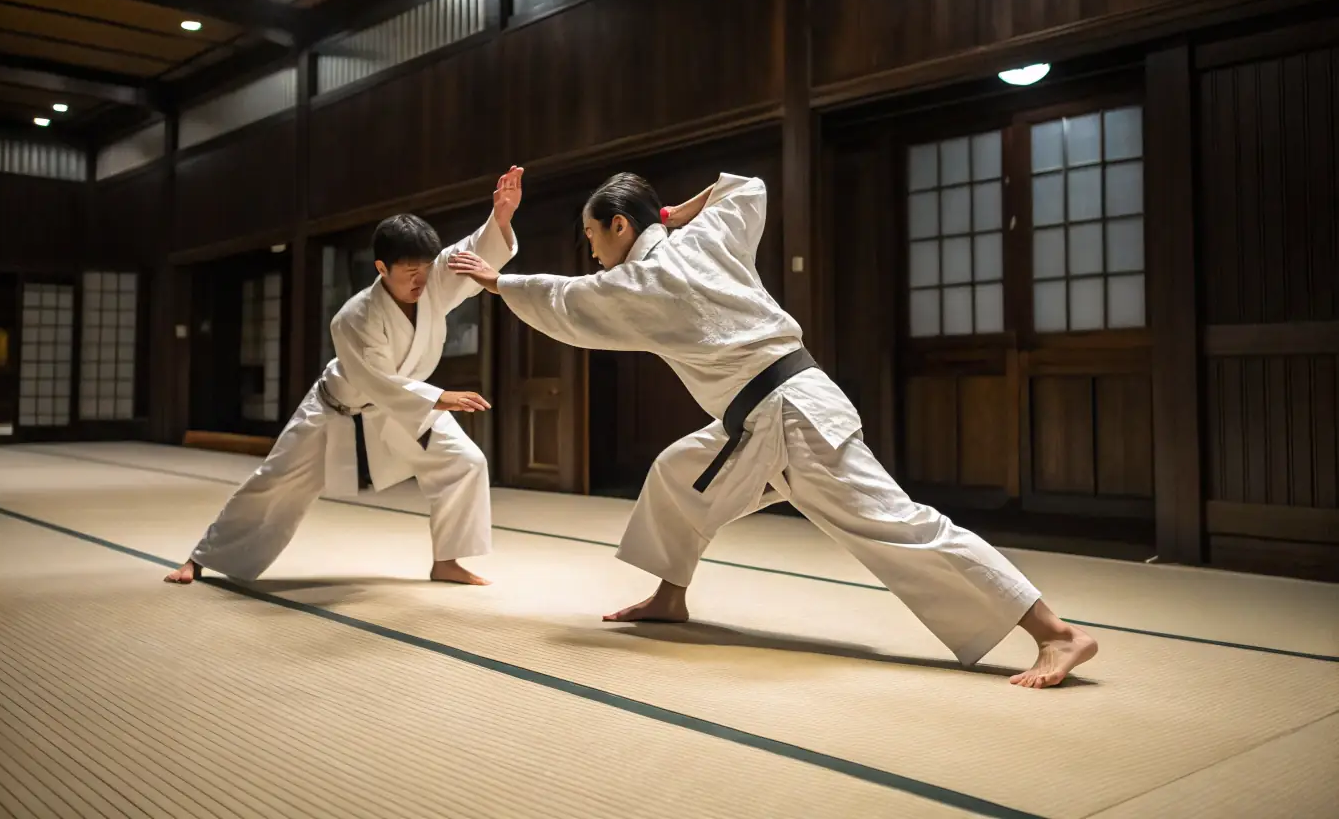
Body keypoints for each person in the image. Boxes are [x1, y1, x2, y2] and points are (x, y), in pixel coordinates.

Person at [448, 171, 1097, 688]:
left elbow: (566, 299)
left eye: (594, 235)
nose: (592, 251)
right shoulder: (704, 238)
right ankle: (670, 595)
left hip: (792, 417)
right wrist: (671, 213)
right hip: (769, 415)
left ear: (620, 225)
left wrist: (498, 282)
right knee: (679, 472)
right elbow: (744, 187)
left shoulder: (640, 281)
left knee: (898, 526)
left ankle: (1056, 632)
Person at [164, 166, 525, 588]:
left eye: (426, 268)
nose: (421, 279)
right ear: (382, 267)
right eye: (409, 271)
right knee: (275, 482)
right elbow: (377, 381)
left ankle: (447, 561)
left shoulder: (433, 278)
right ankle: (201, 558)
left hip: (400, 410)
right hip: (335, 410)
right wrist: (440, 397)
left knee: (465, 462)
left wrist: (500, 218)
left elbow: (471, 251)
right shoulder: (354, 316)